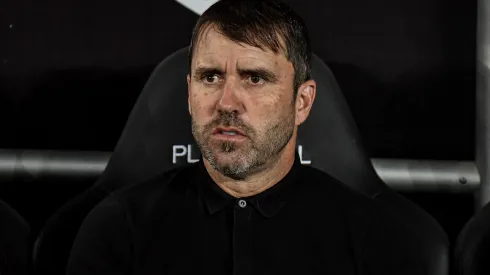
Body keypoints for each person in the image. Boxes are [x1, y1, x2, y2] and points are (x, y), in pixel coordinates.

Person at [66, 0, 425, 274]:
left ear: (302, 102)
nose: (227, 102)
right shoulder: (118, 229)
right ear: (190, 94)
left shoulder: (374, 238)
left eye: (255, 78)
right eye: (210, 77)